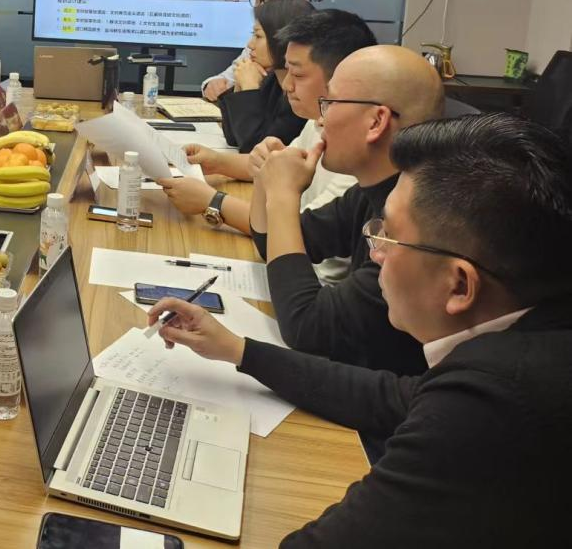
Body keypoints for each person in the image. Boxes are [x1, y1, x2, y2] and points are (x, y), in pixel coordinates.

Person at [145, 114, 572, 547]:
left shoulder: (493, 400)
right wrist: (239, 350)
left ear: (459, 285)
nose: (375, 251)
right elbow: (391, 397)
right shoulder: (532, 333)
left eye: (390, 237)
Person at [250, 44, 444, 375]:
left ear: (376, 121)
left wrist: (282, 193)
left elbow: (305, 327)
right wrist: (264, 177)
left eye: (330, 103)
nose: (320, 119)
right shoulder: (371, 190)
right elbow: (272, 245)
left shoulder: (419, 220)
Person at [161, 10, 376, 242]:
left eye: (298, 75)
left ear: (341, 77)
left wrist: (212, 202)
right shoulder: (316, 122)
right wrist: (217, 162)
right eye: (287, 71)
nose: (287, 85)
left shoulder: (360, 157)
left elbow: (300, 230)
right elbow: (275, 164)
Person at [201, 0, 315, 102]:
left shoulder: (316, 55)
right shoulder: (258, 44)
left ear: (303, 4)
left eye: (271, 1)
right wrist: (213, 84)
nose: (260, 8)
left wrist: (249, 89)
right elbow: (229, 77)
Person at [216, 0, 315, 153]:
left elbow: (256, 151)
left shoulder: (301, 94)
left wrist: (249, 88)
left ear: (283, 39)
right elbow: (234, 138)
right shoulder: (272, 81)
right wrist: (240, 87)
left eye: (258, 36)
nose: (250, 45)